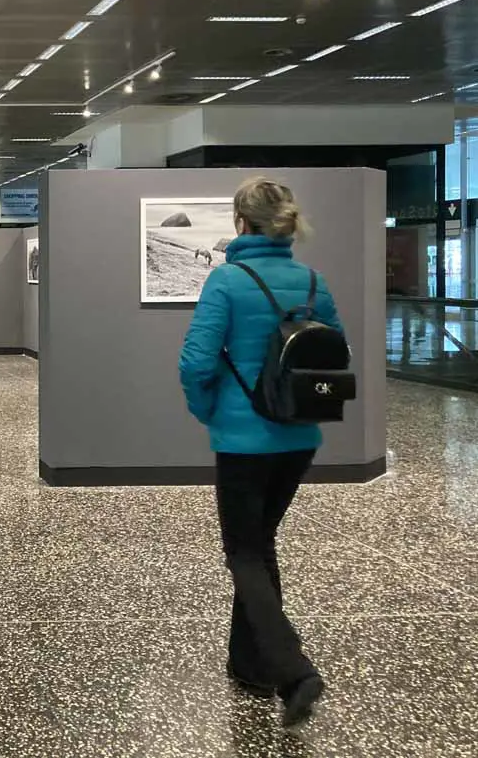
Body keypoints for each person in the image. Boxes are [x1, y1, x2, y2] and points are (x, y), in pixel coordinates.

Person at [179, 177, 342, 728]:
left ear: (239, 222)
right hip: (299, 440)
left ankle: (293, 670)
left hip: (243, 441)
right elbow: (334, 359)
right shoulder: (314, 281)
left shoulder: (227, 279)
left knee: (244, 553)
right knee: (259, 542)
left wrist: (210, 412)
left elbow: (197, 361)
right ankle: (248, 663)